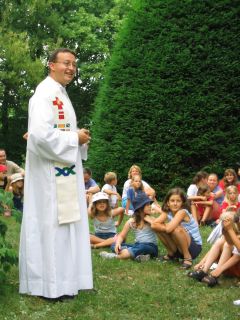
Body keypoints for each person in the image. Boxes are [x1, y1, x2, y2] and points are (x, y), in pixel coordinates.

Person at [19, 48, 93, 300]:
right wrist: (74, 137)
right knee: (52, 225)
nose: (71, 68)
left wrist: (79, 139)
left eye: (74, 64)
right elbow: (40, 135)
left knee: (64, 225)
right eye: (66, 63)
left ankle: (64, 281)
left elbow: (46, 132)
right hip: (50, 177)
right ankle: (50, 287)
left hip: (63, 172)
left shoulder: (60, 94)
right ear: (51, 65)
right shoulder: (45, 93)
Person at [150, 188, 202, 269]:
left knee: (176, 229)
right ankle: (171, 254)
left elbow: (169, 229)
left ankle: (187, 258)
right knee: (159, 228)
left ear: (182, 203)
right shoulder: (167, 212)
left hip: (194, 247)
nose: (175, 203)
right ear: (168, 203)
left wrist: (165, 226)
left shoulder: (182, 212)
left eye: (178, 201)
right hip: (179, 245)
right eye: (172, 201)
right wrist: (165, 226)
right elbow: (153, 225)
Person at [99, 192, 158, 262]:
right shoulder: (132, 221)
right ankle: (140, 257)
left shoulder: (152, 219)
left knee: (142, 247)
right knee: (114, 245)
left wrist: (151, 221)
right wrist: (118, 243)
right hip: (137, 245)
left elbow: (161, 229)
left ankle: (114, 256)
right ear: (140, 207)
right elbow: (121, 236)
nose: (150, 206)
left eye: (150, 204)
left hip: (151, 247)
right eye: (147, 204)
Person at [188, 209, 240, 287]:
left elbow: (237, 256)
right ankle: (204, 271)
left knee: (227, 245)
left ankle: (215, 275)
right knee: (220, 241)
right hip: (230, 263)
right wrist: (202, 262)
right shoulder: (233, 230)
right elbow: (216, 247)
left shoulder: (233, 232)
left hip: (236, 265)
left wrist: (220, 269)